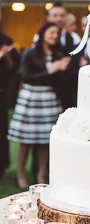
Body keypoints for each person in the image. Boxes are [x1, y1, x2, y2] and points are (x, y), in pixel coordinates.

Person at [9, 23, 70, 188]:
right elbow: (26, 77)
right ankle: (20, 174)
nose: (54, 36)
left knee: (45, 140)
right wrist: (50, 71)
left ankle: (40, 174)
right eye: (51, 32)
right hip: (32, 96)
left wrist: (62, 70)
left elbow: (58, 81)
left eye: (57, 33)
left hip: (49, 98)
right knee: (25, 140)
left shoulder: (58, 53)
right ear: (43, 33)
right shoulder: (29, 53)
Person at [0, 27, 20, 178]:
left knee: (1, 131)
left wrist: (7, 57)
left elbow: (14, 70)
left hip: (1, 92)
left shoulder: (6, 40)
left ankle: (1, 167)